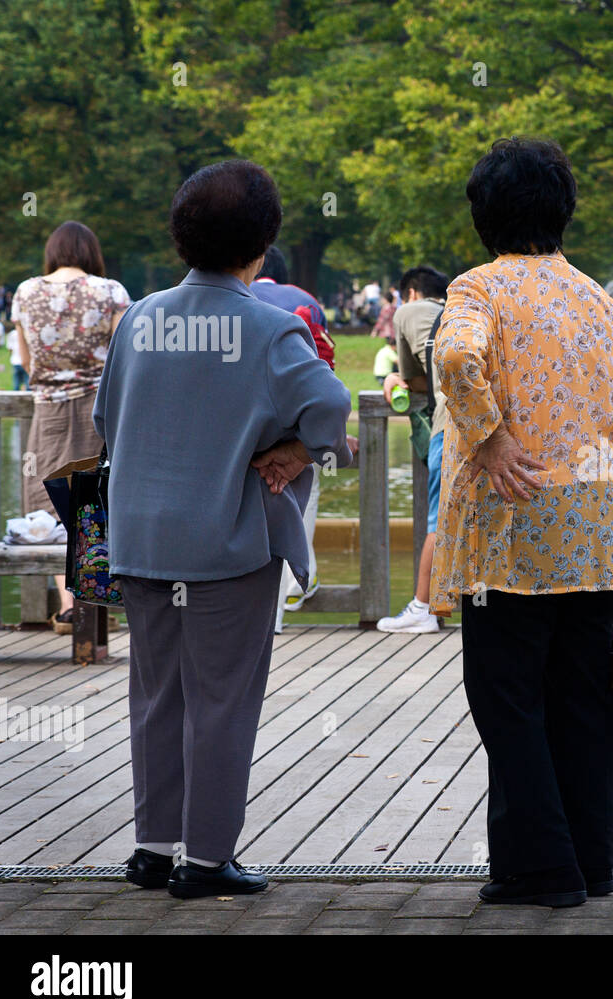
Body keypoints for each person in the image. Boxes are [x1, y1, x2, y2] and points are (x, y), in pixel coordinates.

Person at [94, 160, 355, 898]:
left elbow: (106, 421)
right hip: (227, 540)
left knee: (156, 696)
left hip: (142, 539)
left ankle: (152, 845)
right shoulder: (272, 330)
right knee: (222, 702)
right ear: (262, 247)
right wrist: (296, 449)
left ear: (181, 237)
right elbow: (332, 412)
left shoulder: (138, 319)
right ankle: (205, 859)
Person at [429, 136, 613, 907]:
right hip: (595, 533)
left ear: (485, 213)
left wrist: (490, 437)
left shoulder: (478, 290)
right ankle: (589, 863)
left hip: (512, 538)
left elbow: (457, 361)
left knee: (508, 701)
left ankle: (540, 869)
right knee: (579, 707)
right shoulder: (599, 299)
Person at [11, 221, 131, 632]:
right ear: (91, 252)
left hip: (47, 410)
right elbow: (122, 356)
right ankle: (95, 603)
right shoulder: (111, 292)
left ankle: (68, 606)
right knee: (99, 500)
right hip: (99, 408)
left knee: (48, 502)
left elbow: (26, 361)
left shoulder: (26, 292)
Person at [250, 244, 334, 623]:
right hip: (297, 426)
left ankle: (265, 609)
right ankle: (294, 588)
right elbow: (324, 368)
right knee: (301, 501)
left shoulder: (237, 297)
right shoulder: (306, 301)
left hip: (245, 427)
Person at [378, 264, 450, 635]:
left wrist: (392, 379)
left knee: (440, 521)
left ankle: (424, 607)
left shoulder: (409, 312)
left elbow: (417, 379)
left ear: (410, 293)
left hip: (449, 427)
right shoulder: (459, 310)